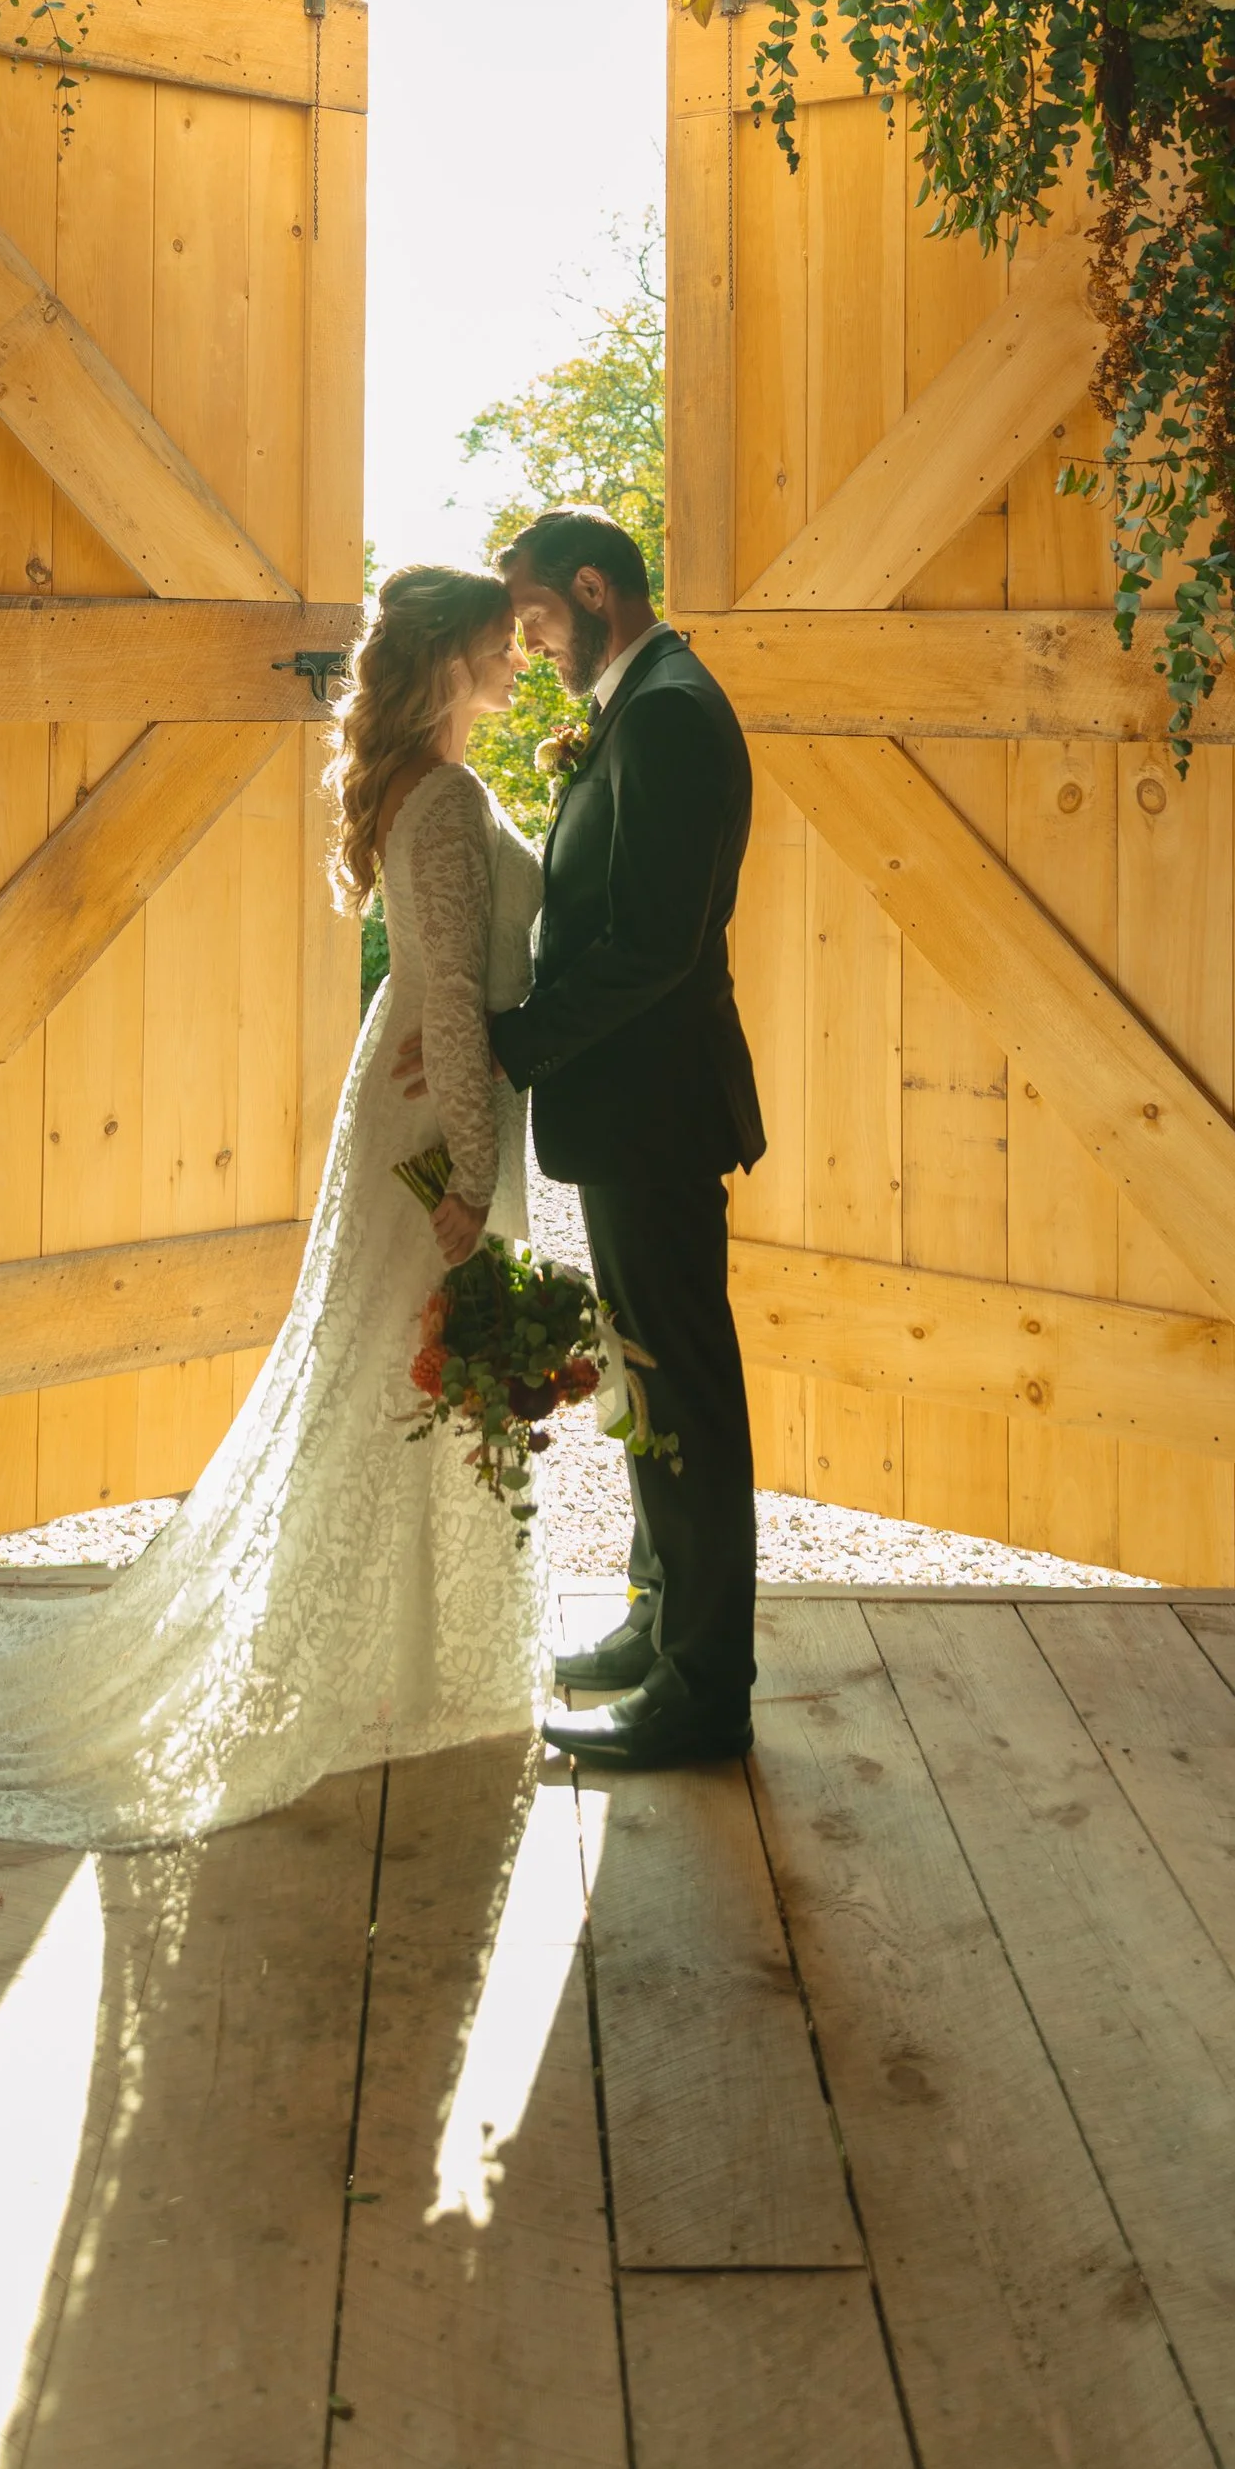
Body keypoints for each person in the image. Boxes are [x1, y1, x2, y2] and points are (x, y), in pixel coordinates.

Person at [0, 566, 548, 1849]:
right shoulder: (444, 798)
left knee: (414, 1377)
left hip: (438, 1093)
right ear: (447, 661)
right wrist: (479, 1180)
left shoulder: (427, 788)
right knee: (406, 1371)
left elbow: (454, 975)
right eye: (499, 644)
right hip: (438, 1128)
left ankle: (424, 1660)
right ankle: (394, 1666)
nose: (515, 659)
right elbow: (444, 995)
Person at [408, 504, 763, 1770]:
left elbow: (654, 947)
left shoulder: (666, 708)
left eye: (540, 615)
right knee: (649, 1381)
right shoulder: (643, 696)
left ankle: (704, 1689)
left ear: (596, 590)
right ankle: (656, 1624)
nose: (530, 639)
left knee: (689, 1396)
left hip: (656, 1108)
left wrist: (510, 1045)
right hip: (637, 1106)